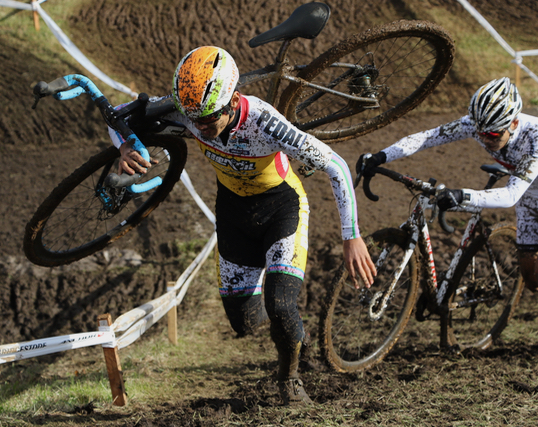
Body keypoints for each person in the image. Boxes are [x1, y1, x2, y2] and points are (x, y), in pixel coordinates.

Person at [109, 46, 376, 404]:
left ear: (234, 101)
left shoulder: (265, 122)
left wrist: (352, 236)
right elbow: (117, 116)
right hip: (234, 214)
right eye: (193, 119)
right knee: (245, 323)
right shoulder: (188, 110)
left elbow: (337, 167)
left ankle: (290, 378)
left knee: (280, 304)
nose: (199, 126)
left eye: (207, 119)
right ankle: (295, 333)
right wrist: (126, 146)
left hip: (282, 208)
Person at [359, 77, 538, 352]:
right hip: (531, 198)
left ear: (513, 123)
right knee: (531, 280)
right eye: (479, 134)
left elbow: (510, 195)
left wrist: (462, 195)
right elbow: (427, 137)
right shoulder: (481, 124)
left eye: (492, 136)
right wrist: (381, 156)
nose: (484, 139)